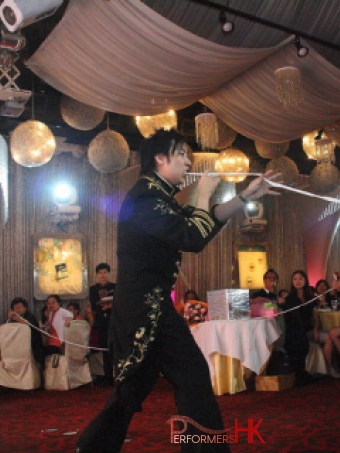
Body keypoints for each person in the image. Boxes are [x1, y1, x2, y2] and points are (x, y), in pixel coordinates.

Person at [76, 128, 281, 453]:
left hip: (150, 312)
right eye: (182, 154)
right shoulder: (145, 201)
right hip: (144, 314)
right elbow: (193, 237)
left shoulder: (157, 199)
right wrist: (202, 194)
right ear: (160, 158)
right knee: (186, 378)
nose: (188, 161)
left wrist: (243, 198)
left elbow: (202, 221)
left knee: (138, 391)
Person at [283, 270, 316, 386]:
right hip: (294, 330)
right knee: (298, 338)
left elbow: (313, 313)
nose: (298, 281)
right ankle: (298, 373)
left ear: (305, 281)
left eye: (300, 279)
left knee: (302, 336)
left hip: (306, 328)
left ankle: (302, 373)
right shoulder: (290, 297)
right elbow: (292, 317)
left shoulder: (310, 297)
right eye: (295, 279)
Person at [86, 262, 116, 385]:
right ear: (97, 275)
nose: (102, 275)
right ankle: (107, 376)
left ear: (109, 273)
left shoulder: (115, 286)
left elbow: (120, 302)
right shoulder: (93, 289)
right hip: (100, 321)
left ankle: (117, 375)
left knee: (114, 348)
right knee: (104, 348)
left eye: (105, 272)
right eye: (100, 273)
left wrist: (111, 305)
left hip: (113, 320)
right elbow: (93, 304)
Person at [7, 297, 44, 364]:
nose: (18, 309)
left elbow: (29, 324)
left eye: (20, 307)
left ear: (25, 308)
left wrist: (16, 318)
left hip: (33, 346)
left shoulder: (30, 316)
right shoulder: (13, 319)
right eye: (16, 308)